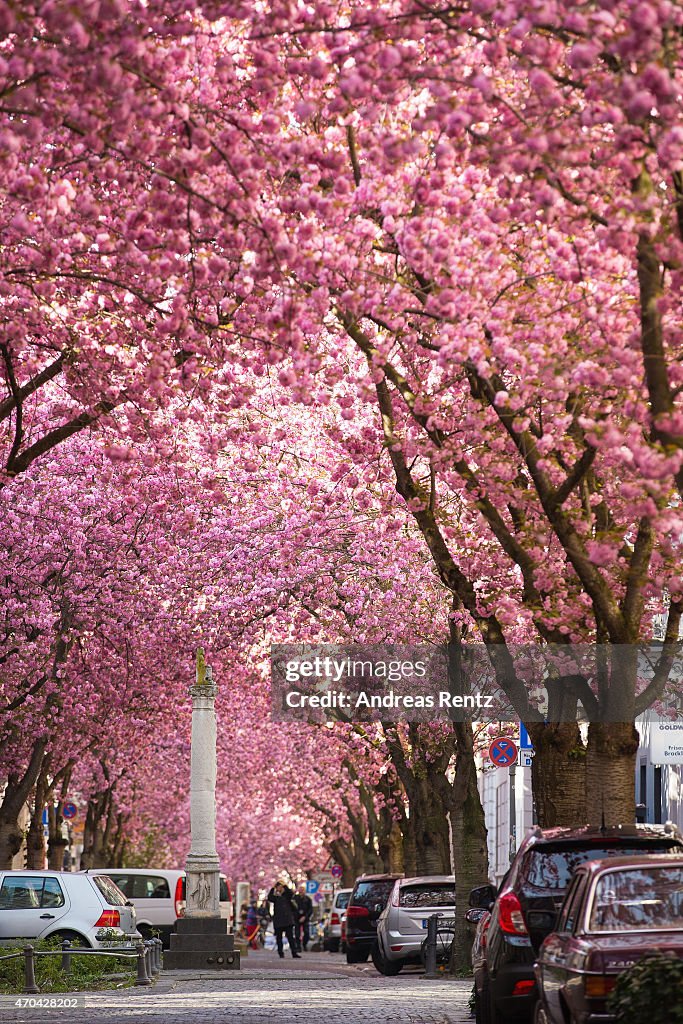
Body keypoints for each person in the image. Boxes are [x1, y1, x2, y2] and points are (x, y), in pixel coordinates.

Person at [266, 880, 301, 958]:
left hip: (287, 920)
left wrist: (284, 885)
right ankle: (280, 953)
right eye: (278, 887)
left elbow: (290, 893)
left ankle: (294, 952)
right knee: (279, 938)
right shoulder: (275, 898)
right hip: (278, 920)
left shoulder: (287, 896)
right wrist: (273, 888)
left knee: (290, 937)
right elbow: (270, 897)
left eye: (281, 887)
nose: (280, 888)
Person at [293, 887, 314, 952]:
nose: (301, 892)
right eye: (300, 891)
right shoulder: (295, 899)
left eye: (302, 891)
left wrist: (305, 917)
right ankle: (298, 946)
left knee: (306, 932)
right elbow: (292, 908)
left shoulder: (308, 899)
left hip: (305, 918)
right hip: (296, 918)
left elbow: (310, 910)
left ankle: (304, 944)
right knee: (297, 933)